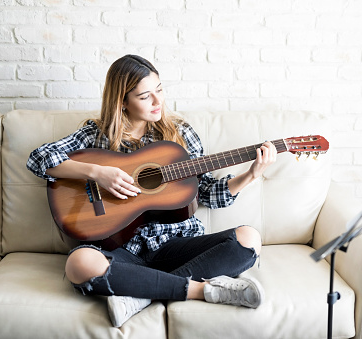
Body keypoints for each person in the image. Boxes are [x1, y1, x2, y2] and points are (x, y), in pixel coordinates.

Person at [27, 55, 276, 328]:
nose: (158, 102)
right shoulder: (95, 135)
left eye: (159, 90)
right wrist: (97, 172)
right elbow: (39, 158)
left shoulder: (179, 133)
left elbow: (204, 193)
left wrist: (250, 175)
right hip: (121, 249)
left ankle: (140, 295)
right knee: (79, 263)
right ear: (122, 101)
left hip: (176, 246)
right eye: (145, 96)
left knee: (249, 239)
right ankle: (197, 290)